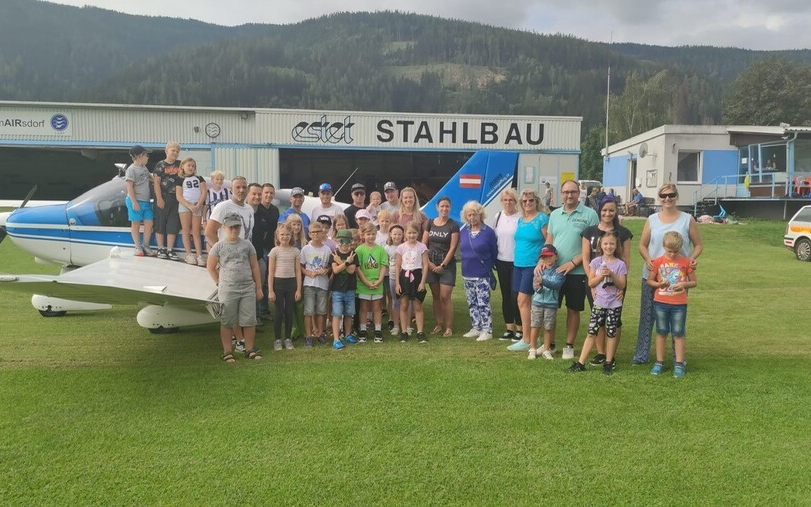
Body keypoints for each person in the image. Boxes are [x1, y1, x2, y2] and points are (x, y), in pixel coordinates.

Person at [634, 183, 703, 365]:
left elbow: (698, 245)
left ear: (676, 196)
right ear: (659, 198)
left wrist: (692, 259)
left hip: (677, 278)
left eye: (671, 195)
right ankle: (641, 355)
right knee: (648, 316)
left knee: (676, 317)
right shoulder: (652, 219)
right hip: (652, 274)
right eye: (663, 196)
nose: (667, 199)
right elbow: (642, 244)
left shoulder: (687, 219)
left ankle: (677, 358)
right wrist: (648, 258)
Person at [542, 179, 598, 360]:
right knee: (550, 308)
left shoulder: (589, 215)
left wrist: (573, 263)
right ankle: (549, 344)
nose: (569, 195)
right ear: (561, 194)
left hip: (578, 272)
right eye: (566, 192)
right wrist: (542, 261)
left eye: (573, 192)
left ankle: (569, 345)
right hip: (554, 271)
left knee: (573, 309)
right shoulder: (555, 214)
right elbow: (549, 241)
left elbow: (592, 247)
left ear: (578, 193)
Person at [580, 197, 633, 365]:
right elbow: (586, 257)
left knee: (614, 319)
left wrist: (621, 286)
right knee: (598, 318)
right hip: (595, 279)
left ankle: (611, 356)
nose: (607, 213)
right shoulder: (589, 231)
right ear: (599, 211)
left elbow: (626, 260)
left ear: (616, 211)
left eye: (611, 210)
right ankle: (601, 353)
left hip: (616, 281)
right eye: (604, 210)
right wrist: (593, 282)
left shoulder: (623, 233)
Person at [206, 212, 264, 363]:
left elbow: (254, 266)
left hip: (247, 288)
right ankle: (227, 352)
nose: (234, 229)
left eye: (237, 226)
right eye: (231, 227)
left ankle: (249, 349)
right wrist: (219, 283)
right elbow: (211, 267)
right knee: (227, 321)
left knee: (249, 320)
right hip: (228, 288)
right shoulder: (218, 246)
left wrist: (258, 287)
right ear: (224, 228)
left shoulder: (247, 245)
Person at [567, 231, 627, 374]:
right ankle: (581, 363)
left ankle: (608, 362)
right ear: (601, 245)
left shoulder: (620, 264)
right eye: (605, 243)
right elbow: (591, 282)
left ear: (616, 245)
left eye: (612, 243)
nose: (608, 246)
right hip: (599, 303)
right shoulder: (596, 262)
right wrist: (601, 276)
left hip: (614, 304)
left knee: (611, 333)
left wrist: (612, 274)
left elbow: (622, 285)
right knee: (591, 332)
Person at [647, 231, 697, 378]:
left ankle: (679, 364)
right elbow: (650, 281)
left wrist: (684, 284)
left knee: (678, 332)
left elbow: (694, 282)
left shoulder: (686, 262)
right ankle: (659, 362)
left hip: (679, 303)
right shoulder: (657, 262)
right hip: (661, 302)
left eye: (676, 251)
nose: (673, 254)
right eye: (669, 251)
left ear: (680, 248)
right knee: (661, 331)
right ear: (663, 246)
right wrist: (659, 284)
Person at [506, 190, 548, 352]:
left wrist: (542, 260)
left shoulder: (542, 219)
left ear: (536, 201)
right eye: (524, 201)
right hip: (518, 264)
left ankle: (527, 338)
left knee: (523, 300)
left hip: (533, 265)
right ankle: (532, 336)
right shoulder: (521, 220)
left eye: (530, 200)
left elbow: (549, 241)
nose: (527, 204)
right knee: (522, 301)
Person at [459, 200, 497, 342]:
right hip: (467, 272)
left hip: (482, 273)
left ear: (480, 215)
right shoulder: (464, 231)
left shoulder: (488, 232)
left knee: (483, 302)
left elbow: (494, 252)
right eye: (469, 215)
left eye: (474, 214)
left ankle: (487, 329)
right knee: (472, 302)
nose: (472, 218)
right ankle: (476, 327)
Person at [423, 196, 460, 337]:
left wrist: (443, 265)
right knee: (436, 296)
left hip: (447, 265)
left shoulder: (453, 225)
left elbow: (453, 248)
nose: (444, 209)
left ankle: (448, 327)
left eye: (447, 206)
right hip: (431, 263)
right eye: (442, 206)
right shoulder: (430, 223)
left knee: (445, 296)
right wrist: (430, 264)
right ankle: (438, 324)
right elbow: (423, 245)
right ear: (437, 208)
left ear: (450, 208)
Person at [493, 188, 522, 341]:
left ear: (515, 202)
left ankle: (520, 329)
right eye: (505, 200)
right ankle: (509, 328)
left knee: (516, 295)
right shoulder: (498, 217)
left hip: (517, 262)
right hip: (501, 260)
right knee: (505, 295)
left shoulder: (521, 218)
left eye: (511, 200)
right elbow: (494, 239)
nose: (508, 202)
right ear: (502, 202)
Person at [268, 223, 301, 351]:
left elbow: (298, 271)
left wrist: (298, 289)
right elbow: (271, 272)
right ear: (277, 235)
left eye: (287, 234)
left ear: (291, 236)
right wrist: (270, 290)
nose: (285, 237)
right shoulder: (274, 251)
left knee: (289, 312)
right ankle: (277, 339)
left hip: (291, 283)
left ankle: (288, 338)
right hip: (278, 283)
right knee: (278, 312)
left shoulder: (295, 251)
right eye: (282, 234)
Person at [528, 244, 564, 360]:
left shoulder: (559, 271)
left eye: (550, 256)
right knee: (535, 325)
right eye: (544, 257)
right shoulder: (539, 270)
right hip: (537, 303)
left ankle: (546, 349)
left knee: (548, 327)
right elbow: (535, 287)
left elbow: (556, 284)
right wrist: (538, 286)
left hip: (551, 304)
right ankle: (532, 348)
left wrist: (542, 281)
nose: (547, 259)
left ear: (556, 256)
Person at [395, 221, 429, 344]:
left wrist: (423, 282)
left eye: (414, 233)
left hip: (417, 276)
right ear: (405, 233)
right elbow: (397, 266)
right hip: (404, 276)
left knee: (417, 305)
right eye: (409, 233)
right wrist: (398, 284)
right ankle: (404, 331)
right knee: (404, 305)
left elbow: (425, 265)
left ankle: (420, 332)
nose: (411, 235)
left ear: (418, 233)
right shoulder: (401, 248)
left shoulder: (422, 247)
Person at [355, 222, 389, 343]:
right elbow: (357, 268)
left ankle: (378, 330)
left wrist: (379, 280)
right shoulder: (359, 250)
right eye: (368, 234)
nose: (371, 236)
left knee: (377, 307)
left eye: (373, 234)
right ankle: (363, 330)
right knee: (364, 307)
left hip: (377, 283)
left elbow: (383, 266)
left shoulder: (380, 250)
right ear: (363, 235)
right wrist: (366, 281)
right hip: (363, 283)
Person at [300, 221, 332, 347]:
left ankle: (320, 333)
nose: (316, 234)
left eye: (318, 231)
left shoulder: (327, 249)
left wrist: (326, 270)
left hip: (323, 283)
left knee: (322, 310)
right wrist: (307, 272)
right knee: (308, 310)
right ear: (309, 234)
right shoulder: (305, 249)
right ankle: (308, 335)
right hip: (309, 283)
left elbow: (330, 266)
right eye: (313, 232)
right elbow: (301, 266)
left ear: (322, 232)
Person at [329, 229, 359, 350]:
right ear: (337, 241)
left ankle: (348, 334)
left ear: (351, 241)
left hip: (350, 289)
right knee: (336, 314)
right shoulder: (334, 253)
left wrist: (341, 262)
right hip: (337, 290)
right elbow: (335, 270)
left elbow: (351, 270)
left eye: (347, 242)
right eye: (341, 241)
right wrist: (346, 263)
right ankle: (336, 339)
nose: (344, 245)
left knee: (348, 314)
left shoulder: (353, 254)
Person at [152, 141, 182, 261]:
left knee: (173, 224)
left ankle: (170, 249)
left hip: (177, 198)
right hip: (163, 197)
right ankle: (160, 248)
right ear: (166, 151)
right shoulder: (160, 165)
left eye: (177, 151)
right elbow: (156, 183)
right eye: (172, 150)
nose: (175, 153)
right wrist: (159, 198)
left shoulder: (181, 164)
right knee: (160, 223)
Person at [174, 157, 207, 266]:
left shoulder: (199, 178)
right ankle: (189, 255)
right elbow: (179, 196)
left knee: (196, 230)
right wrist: (188, 205)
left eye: (193, 166)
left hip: (197, 206)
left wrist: (198, 205)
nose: (191, 168)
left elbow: (204, 192)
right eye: (189, 165)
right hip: (185, 206)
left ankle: (199, 256)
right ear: (183, 166)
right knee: (186, 230)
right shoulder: (179, 179)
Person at [124, 145, 155, 257]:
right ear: (139, 156)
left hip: (146, 201)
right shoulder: (131, 169)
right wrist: (134, 202)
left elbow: (151, 178)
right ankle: (137, 246)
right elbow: (129, 187)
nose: (148, 157)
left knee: (149, 222)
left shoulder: (144, 168)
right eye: (146, 155)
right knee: (136, 223)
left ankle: (146, 245)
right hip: (135, 200)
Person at [205, 177, 254, 246]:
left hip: (245, 253)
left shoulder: (250, 209)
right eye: (238, 187)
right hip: (228, 255)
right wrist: (220, 252)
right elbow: (209, 232)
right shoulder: (223, 207)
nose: (241, 190)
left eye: (244, 187)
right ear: (231, 190)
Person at [385, 224, 404, 336]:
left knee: (406, 301)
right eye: (395, 234)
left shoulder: (406, 246)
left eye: (399, 234)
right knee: (395, 301)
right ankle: (396, 325)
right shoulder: (387, 248)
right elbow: (385, 262)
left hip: (405, 277)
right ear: (391, 235)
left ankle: (406, 326)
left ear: (403, 235)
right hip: (392, 277)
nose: (397, 236)